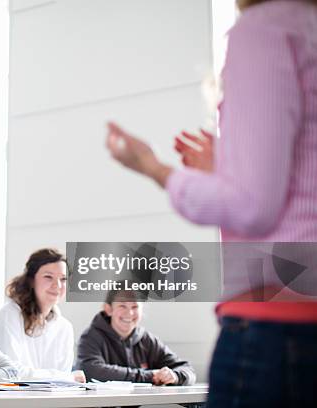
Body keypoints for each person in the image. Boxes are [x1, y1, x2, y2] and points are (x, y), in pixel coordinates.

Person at [106, 0, 317, 405]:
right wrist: (229, 167)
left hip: (277, 330)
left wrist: (156, 169)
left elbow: (253, 207)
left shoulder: (266, 29)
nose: (131, 312)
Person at [0, 248, 85, 382]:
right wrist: (66, 377)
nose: (57, 285)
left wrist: (65, 378)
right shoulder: (10, 314)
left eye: (63, 279)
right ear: (31, 280)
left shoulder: (65, 327)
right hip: (10, 399)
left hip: (48, 401)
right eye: (48, 277)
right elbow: (10, 372)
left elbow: (63, 383)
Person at [76, 290, 196, 385]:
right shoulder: (90, 337)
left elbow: (187, 370)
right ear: (108, 309)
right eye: (122, 306)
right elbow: (90, 371)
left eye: (135, 307)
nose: (129, 313)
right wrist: (150, 376)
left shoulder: (148, 340)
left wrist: (175, 376)